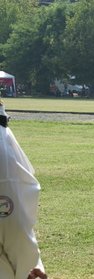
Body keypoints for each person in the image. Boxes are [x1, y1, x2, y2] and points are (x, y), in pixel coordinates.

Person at [0, 100, 48, 279]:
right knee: (26, 261)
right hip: (15, 219)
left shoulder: (5, 134)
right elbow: (29, 180)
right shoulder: (5, 134)